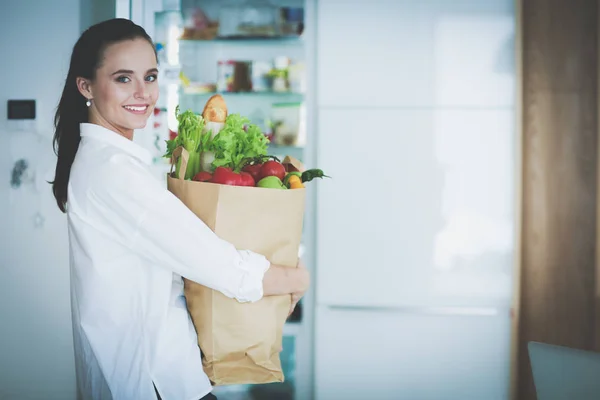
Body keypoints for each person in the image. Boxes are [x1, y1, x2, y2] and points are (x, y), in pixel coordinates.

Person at [50, 18, 309, 400]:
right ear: (86, 86)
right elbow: (217, 264)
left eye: (150, 77)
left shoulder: (106, 160)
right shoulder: (113, 172)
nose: (142, 93)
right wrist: (294, 280)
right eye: (124, 78)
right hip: (156, 378)